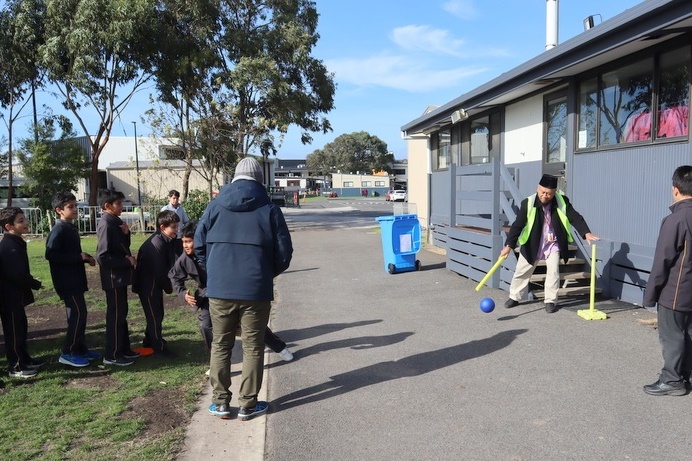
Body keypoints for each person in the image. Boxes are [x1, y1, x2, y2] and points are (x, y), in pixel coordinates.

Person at [195, 157, 293, 420]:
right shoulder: (270, 209)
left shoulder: (214, 206)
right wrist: (263, 274)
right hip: (255, 290)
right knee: (252, 346)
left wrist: (214, 272)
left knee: (221, 344)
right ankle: (248, 404)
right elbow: (284, 254)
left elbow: (199, 246)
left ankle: (220, 403)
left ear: (234, 177)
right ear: (260, 178)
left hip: (220, 290)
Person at [169, 221, 294, 369]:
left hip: (232, 291)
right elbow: (174, 276)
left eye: (189, 241)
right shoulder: (185, 258)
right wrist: (183, 293)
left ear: (200, 239)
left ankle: (279, 347)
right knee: (205, 325)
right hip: (208, 296)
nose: (185, 245)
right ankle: (216, 362)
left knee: (250, 324)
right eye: (183, 242)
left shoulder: (216, 251)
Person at [501, 174, 599, 313]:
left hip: (553, 243)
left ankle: (550, 300)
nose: (545, 196)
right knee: (522, 271)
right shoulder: (527, 203)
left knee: (553, 271)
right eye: (543, 192)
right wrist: (509, 245)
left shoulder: (562, 201)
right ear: (538, 188)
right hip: (533, 242)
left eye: (549, 194)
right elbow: (518, 225)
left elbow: (575, 217)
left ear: (555, 193)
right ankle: (514, 297)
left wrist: (586, 233)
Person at [642, 165, 692, 396]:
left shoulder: (676, 219)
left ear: (675, 189)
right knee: (688, 334)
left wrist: (650, 294)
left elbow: (662, 260)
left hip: (676, 290)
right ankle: (684, 375)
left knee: (672, 335)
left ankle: (672, 380)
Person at [45, 192, 100, 368]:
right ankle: (68, 352)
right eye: (71, 207)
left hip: (75, 279)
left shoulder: (69, 227)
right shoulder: (59, 229)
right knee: (78, 314)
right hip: (67, 282)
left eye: (76, 205)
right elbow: (51, 254)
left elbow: (71, 254)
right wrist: (78, 257)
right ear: (59, 210)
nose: (75, 209)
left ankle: (80, 348)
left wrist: (85, 258)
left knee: (77, 315)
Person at [96, 189, 140, 366]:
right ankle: (112, 355)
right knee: (115, 316)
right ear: (107, 206)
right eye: (118, 204)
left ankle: (123, 349)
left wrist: (126, 233)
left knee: (122, 314)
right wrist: (126, 261)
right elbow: (103, 257)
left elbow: (121, 246)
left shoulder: (115, 221)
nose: (122, 207)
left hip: (120, 278)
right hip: (113, 279)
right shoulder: (106, 224)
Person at [0, 207, 45, 378]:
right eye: (20, 221)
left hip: (16, 296)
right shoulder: (9, 245)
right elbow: (16, 274)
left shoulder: (16, 242)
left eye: (24, 219)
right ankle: (16, 366)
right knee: (13, 331)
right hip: (8, 297)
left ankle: (25, 358)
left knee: (21, 328)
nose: (26, 223)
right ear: (8, 226)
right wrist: (34, 283)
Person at [133, 210, 180, 357]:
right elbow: (160, 271)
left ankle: (149, 340)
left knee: (157, 313)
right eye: (173, 227)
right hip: (148, 285)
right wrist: (169, 288)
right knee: (154, 316)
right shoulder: (156, 243)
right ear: (162, 227)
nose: (176, 230)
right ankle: (158, 347)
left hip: (154, 284)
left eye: (177, 226)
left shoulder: (164, 239)